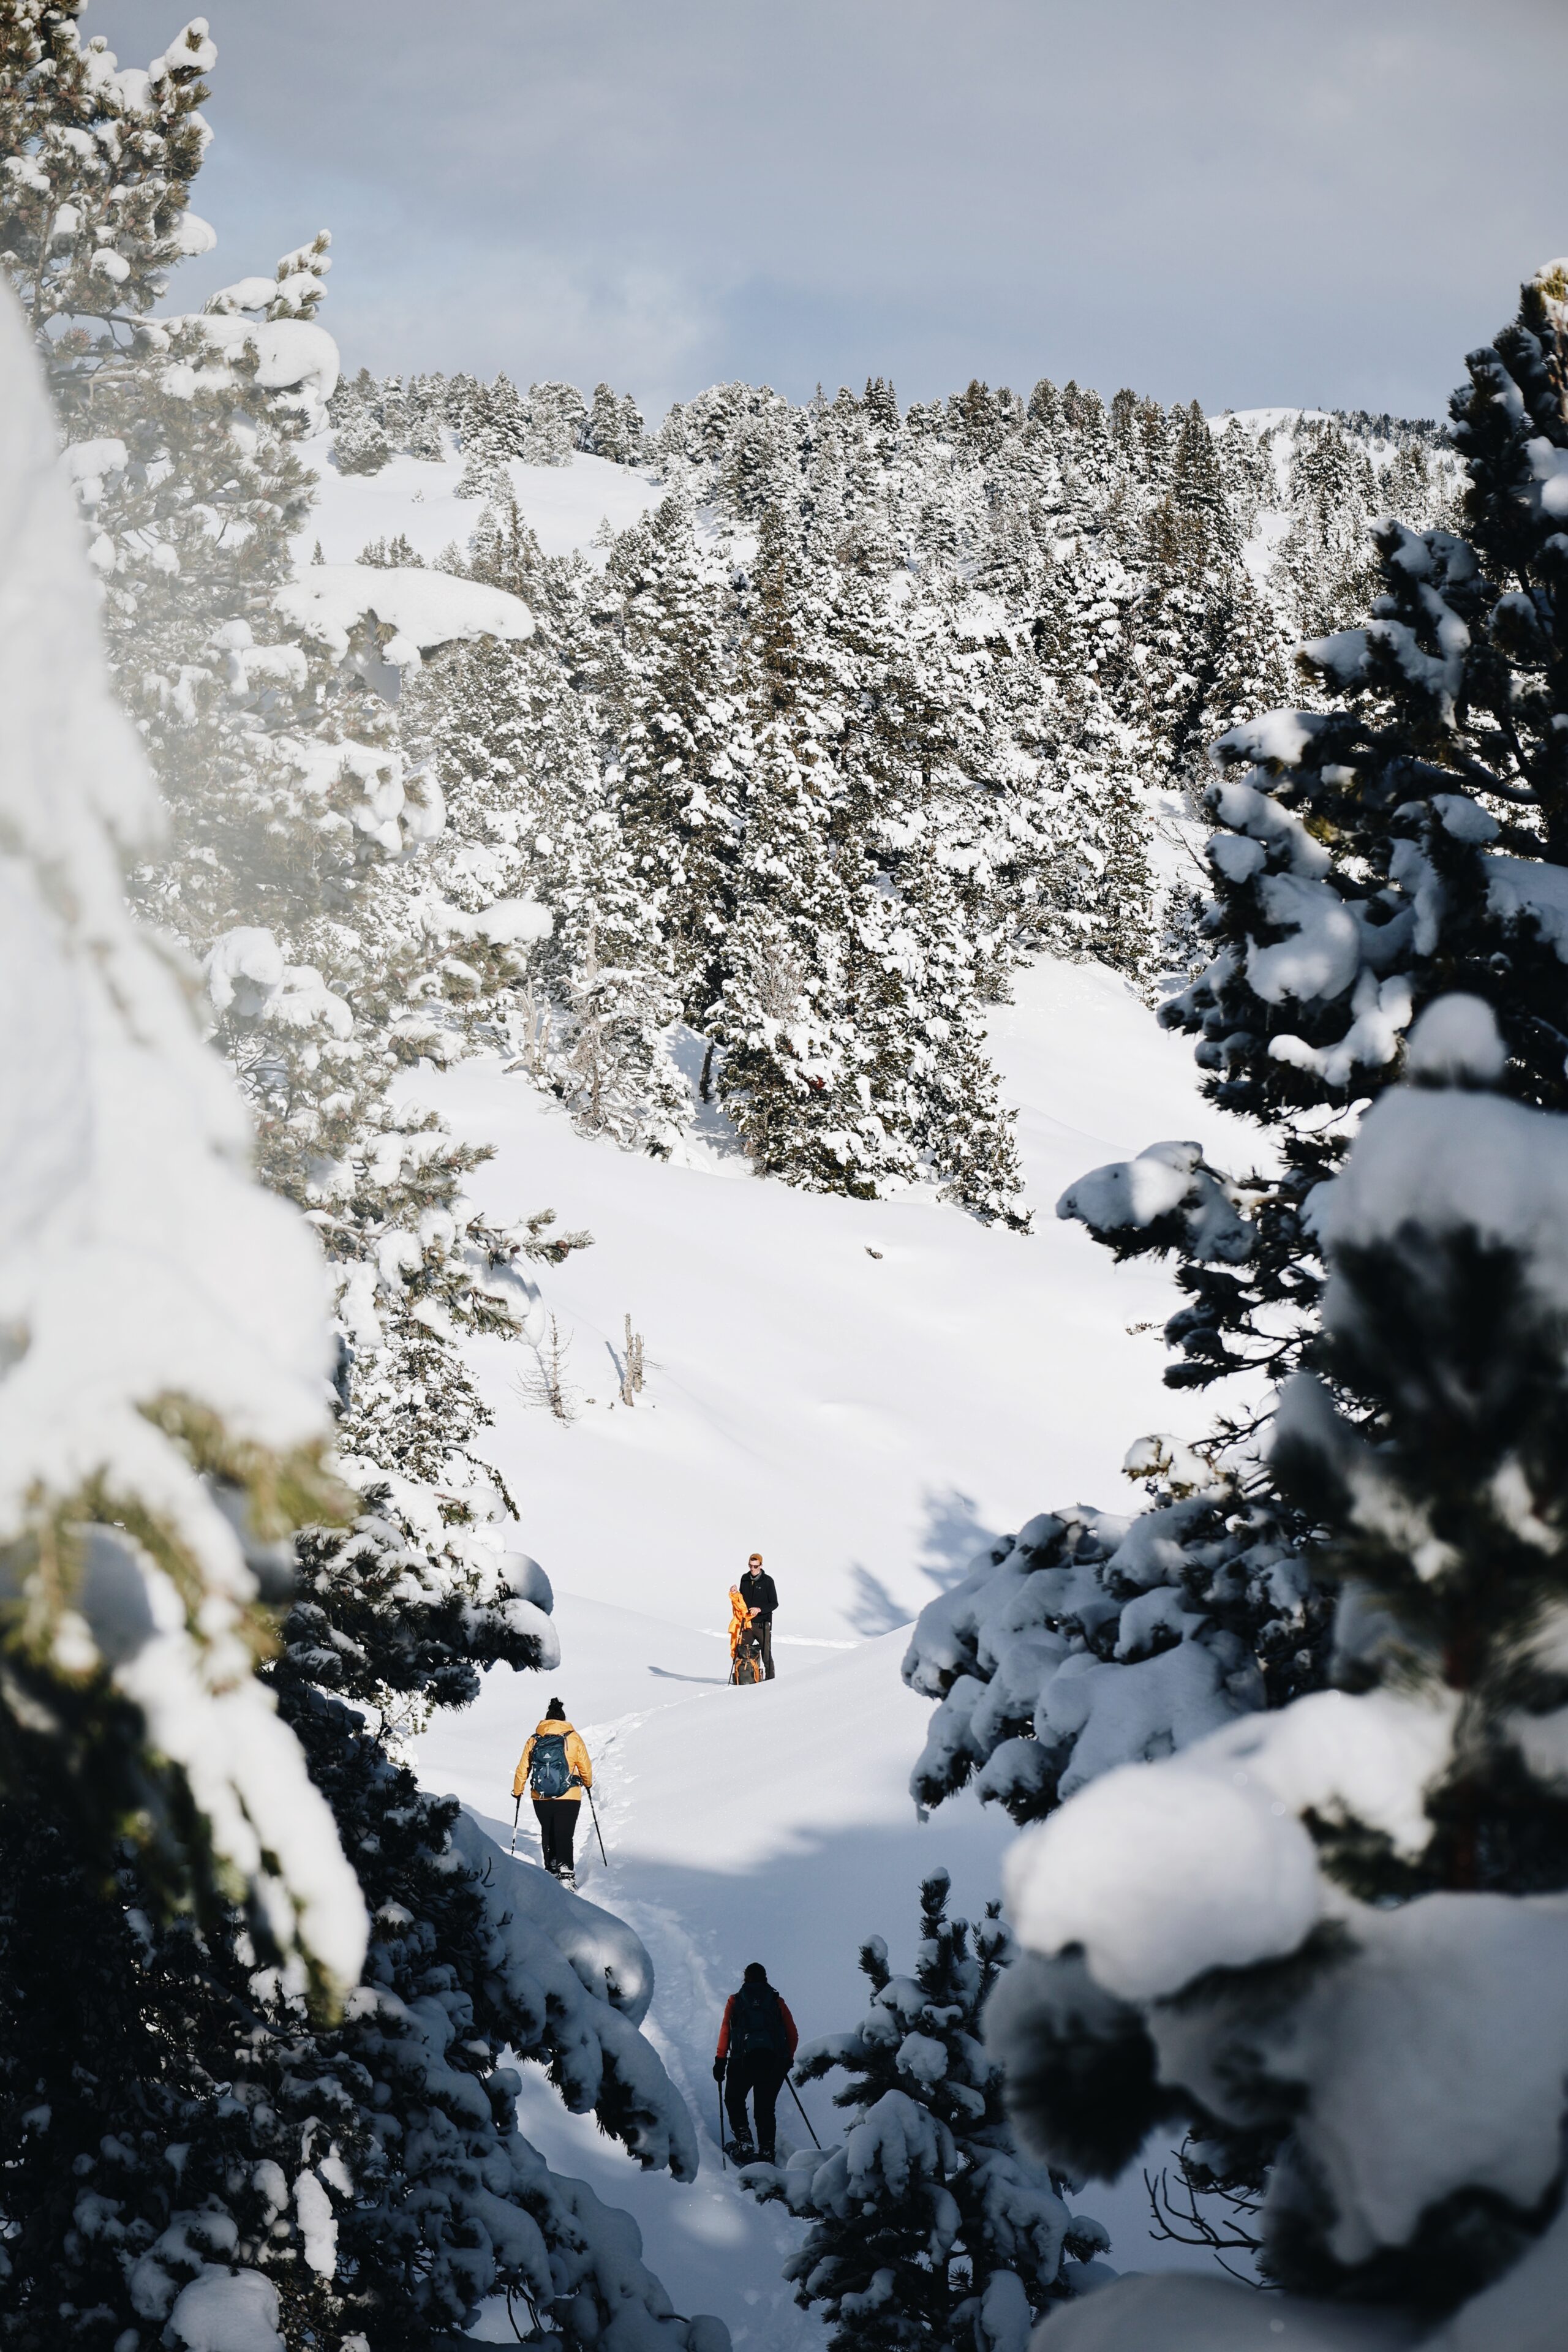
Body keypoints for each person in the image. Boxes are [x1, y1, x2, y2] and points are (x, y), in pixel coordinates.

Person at [713, 1961, 798, 2162]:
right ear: (765, 1978)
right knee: (765, 2108)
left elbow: (726, 2031)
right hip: (773, 2063)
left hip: (741, 2062)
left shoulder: (735, 2001)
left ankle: (744, 2142)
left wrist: (720, 2060)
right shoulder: (777, 2002)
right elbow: (793, 2034)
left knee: (734, 2099)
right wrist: (787, 2058)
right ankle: (767, 2150)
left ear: (746, 1978)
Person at [512, 1697, 593, 1887]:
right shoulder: (573, 1737)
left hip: (540, 1796)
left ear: (546, 1721)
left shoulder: (534, 1739)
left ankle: (551, 1870)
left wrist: (518, 1791)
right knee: (564, 1833)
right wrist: (588, 1784)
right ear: (563, 1720)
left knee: (547, 1832)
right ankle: (565, 1874)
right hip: (569, 1795)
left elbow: (523, 1768)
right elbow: (585, 1767)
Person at [739, 1552, 778, 1680]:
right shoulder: (744, 1578)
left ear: (761, 1566)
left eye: (755, 1566)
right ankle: (743, 1679)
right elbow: (741, 1601)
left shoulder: (768, 1581)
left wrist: (760, 1609)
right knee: (742, 1653)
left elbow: (774, 1603)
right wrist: (735, 1594)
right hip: (747, 1624)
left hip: (762, 1625)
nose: (752, 1569)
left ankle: (770, 1681)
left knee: (766, 1655)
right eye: (750, 1566)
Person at [728, 1586, 763, 1686]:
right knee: (739, 1650)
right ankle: (743, 1676)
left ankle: (743, 1677)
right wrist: (735, 1594)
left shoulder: (765, 1583)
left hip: (753, 1624)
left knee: (741, 1650)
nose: (752, 1568)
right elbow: (741, 1608)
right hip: (744, 1624)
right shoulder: (745, 1582)